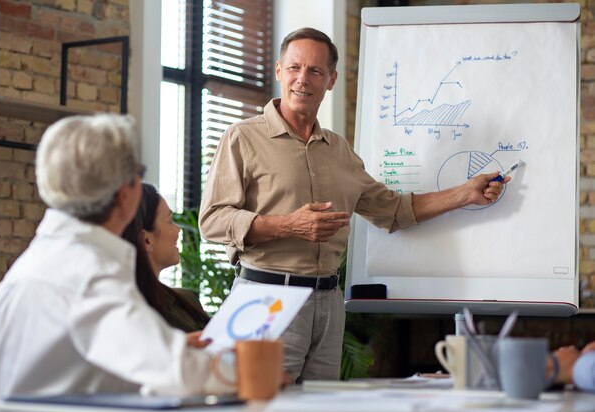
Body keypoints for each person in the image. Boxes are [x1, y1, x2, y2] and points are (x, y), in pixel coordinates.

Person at [198, 27, 509, 383]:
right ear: (279, 71)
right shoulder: (242, 138)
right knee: (261, 408)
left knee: (324, 409)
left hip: (328, 305)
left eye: (315, 71)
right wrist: (288, 225)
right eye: (295, 68)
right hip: (265, 298)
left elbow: (394, 211)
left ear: (330, 80)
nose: (303, 79)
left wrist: (465, 193)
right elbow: (212, 221)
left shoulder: (340, 151)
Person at [0, 114, 232, 409]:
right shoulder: (90, 273)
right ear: (125, 193)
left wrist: (168, 346)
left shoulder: (41, 259)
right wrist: (245, 369)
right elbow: (183, 374)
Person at [122, 182, 210, 332]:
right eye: (170, 221)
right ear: (146, 240)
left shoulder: (185, 300)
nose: (178, 229)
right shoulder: (133, 317)